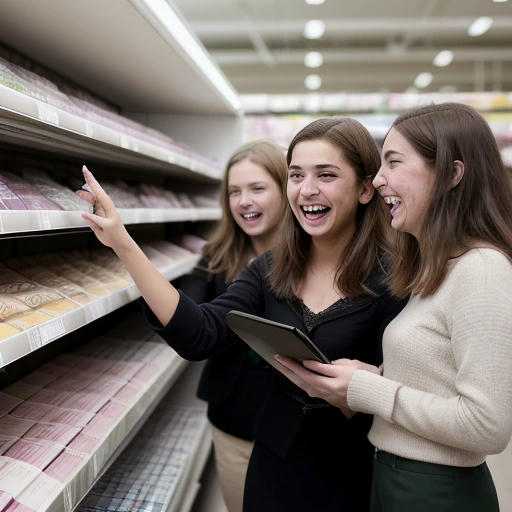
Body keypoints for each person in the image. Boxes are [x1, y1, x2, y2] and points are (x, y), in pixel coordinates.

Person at [78, 116, 404, 512]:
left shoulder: (397, 278)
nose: (307, 189)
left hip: (354, 471)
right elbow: (199, 333)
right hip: (272, 465)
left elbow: (420, 385)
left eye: (327, 174)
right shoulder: (269, 269)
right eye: (297, 175)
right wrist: (123, 243)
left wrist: (372, 386)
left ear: (366, 189)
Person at [274, 103, 512, 512]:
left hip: (436, 492)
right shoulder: (436, 267)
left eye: (394, 163)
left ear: (452, 174)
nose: (380, 180)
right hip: (397, 478)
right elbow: (439, 376)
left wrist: (367, 389)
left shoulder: (483, 270)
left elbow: (487, 426)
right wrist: (377, 374)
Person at [176, 140, 288, 512]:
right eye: (234, 192)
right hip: (235, 423)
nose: (243, 201)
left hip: (299, 425)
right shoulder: (217, 256)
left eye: (257, 188)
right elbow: (189, 316)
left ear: (287, 188)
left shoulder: (316, 256)